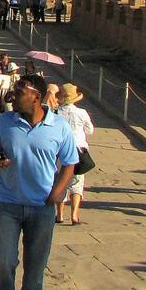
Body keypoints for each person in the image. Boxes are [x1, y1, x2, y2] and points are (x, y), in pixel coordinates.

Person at [0, 73, 78, 290]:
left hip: (41, 207)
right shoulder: (5, 121)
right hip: (6, 204)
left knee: (35, 269)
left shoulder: (58, 126)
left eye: (19, 91)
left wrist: (57, 194)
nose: (13, 96)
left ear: (36, 96)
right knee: (3, 262)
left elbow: (70, 163)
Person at [54, 83, 94, 225]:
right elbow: (90, 130)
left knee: (61, 180)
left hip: (62, 150)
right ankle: (75, 215)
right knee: (77, 182)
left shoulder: (56, 113)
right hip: (79, 150)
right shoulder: (82, 113)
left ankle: (59, 215)